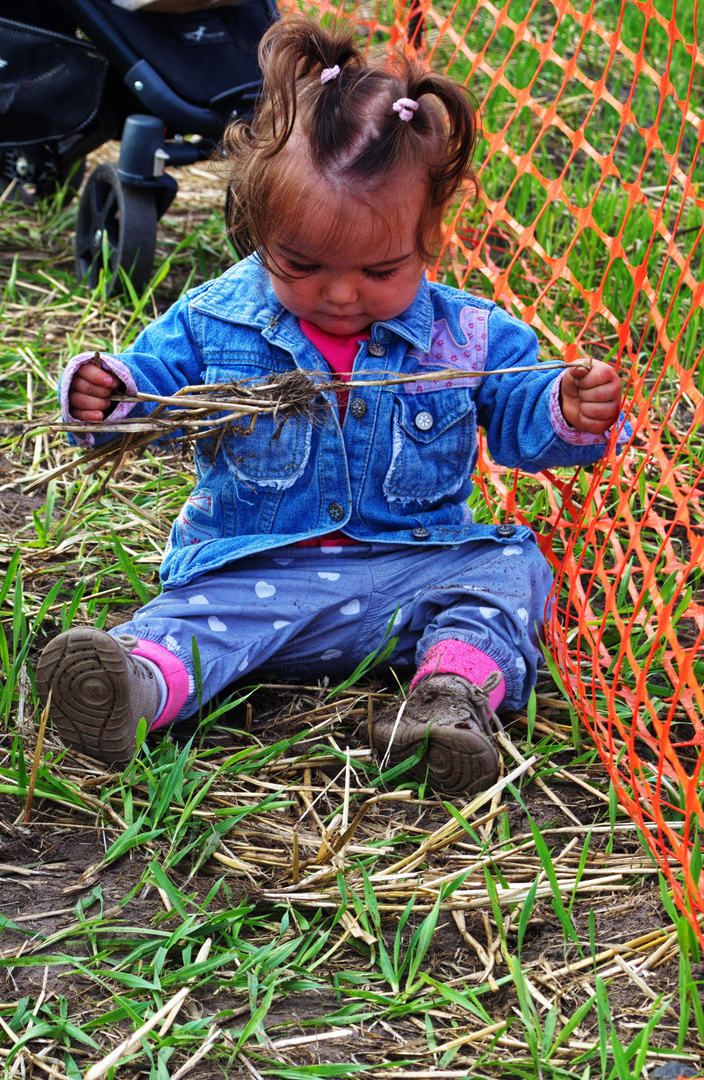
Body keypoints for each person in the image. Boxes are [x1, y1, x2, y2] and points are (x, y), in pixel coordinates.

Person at [36, 17, 624, 794]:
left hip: (406, 575)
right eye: (302, 264)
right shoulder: (217, 320)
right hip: (255, 572)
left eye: (380, 269)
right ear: (258, 226)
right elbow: (146, 390)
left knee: (510, 568)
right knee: (186, 622)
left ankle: (446, 701)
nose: (341, 293)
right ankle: (132, 690)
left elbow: (521, 415)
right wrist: (105, 392)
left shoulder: (465, 334)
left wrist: (565, 408)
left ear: (431, 236)